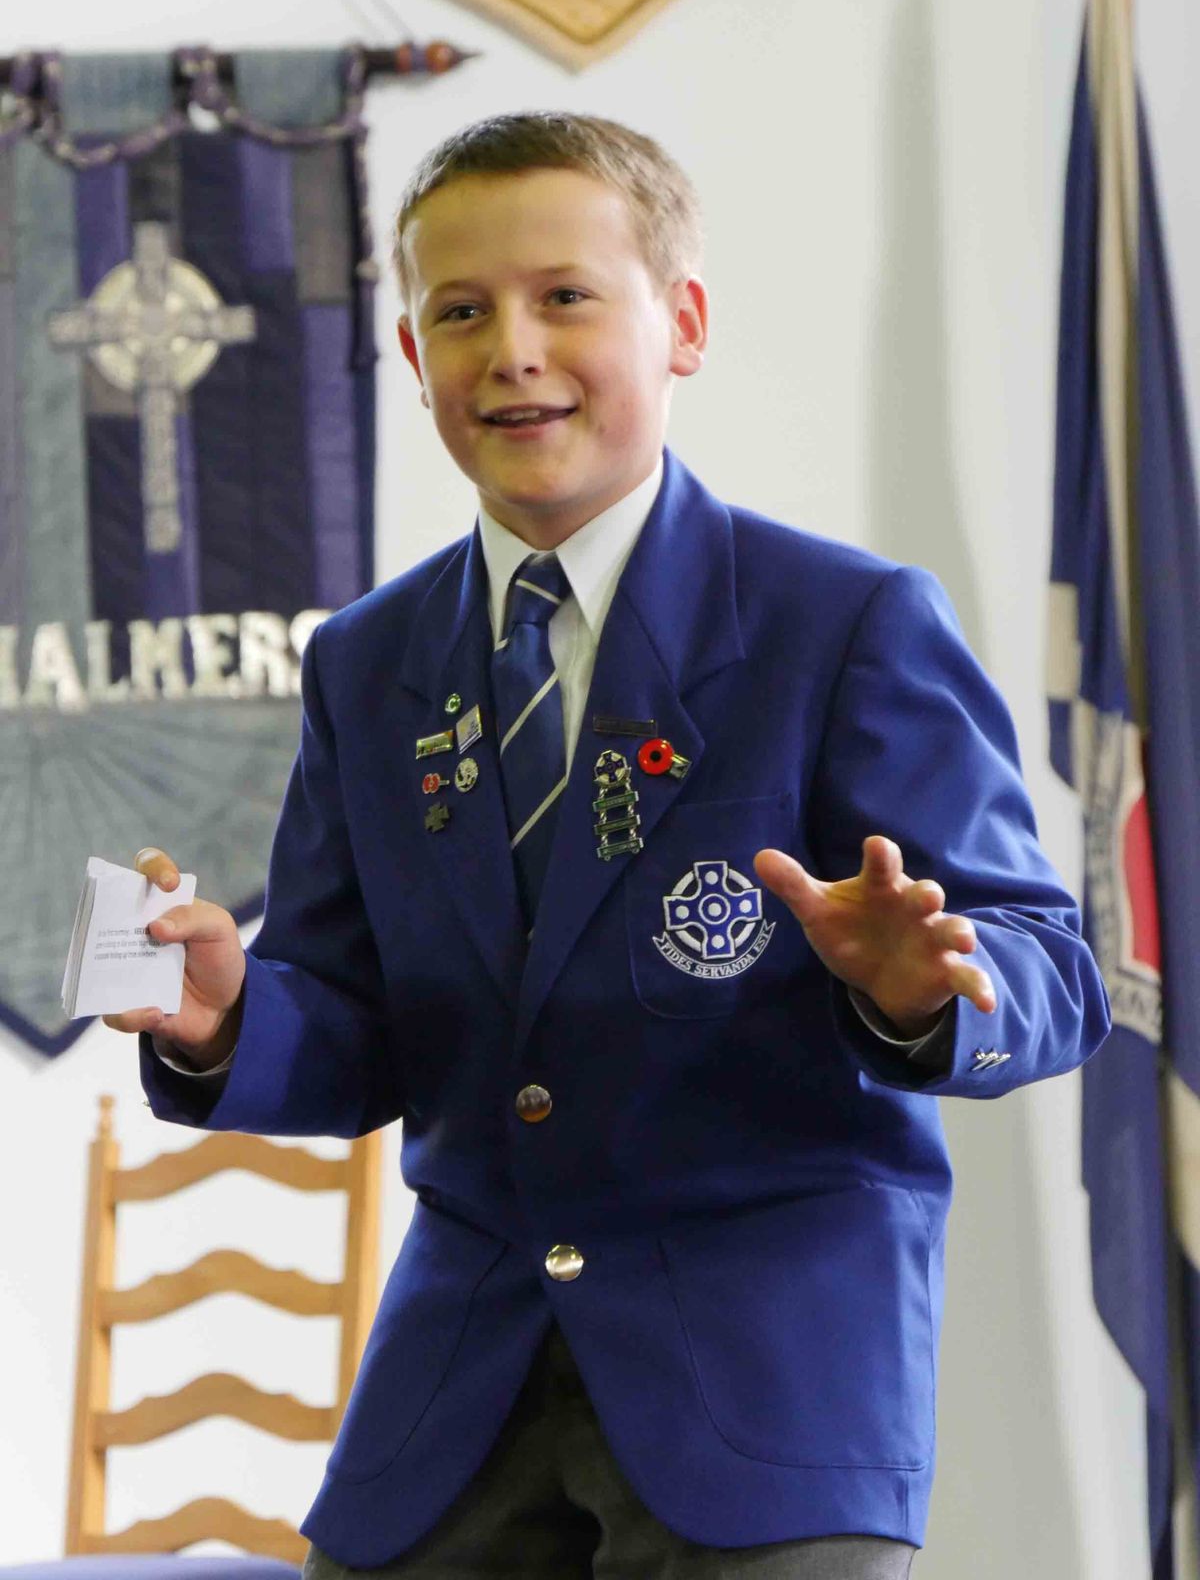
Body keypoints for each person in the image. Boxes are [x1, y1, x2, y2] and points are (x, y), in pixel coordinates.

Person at [109, 112, 1110, 1578]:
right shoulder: (368, 663)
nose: (512, 350)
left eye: (565, 296)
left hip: (765, 1382)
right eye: (462, 312)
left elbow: (1054, 973)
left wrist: (921, 993)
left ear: (682, 324)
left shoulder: (842, 624)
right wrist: (231, 1019)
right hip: (460, 1384)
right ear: (413, 357)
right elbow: (361, 1024)